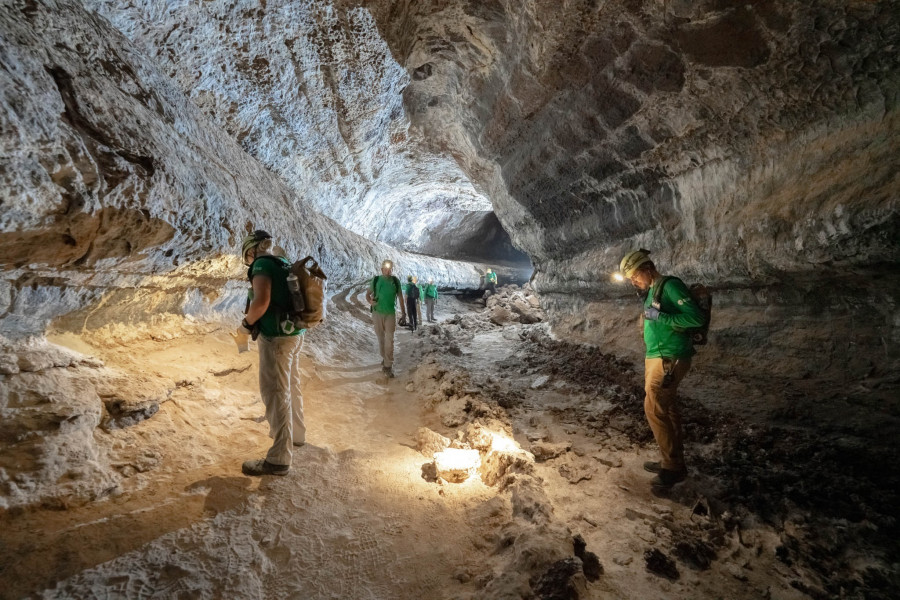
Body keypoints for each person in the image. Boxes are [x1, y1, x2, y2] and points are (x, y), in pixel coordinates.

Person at [619, 249, 705, 489]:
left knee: (653, 407)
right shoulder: (653, 291)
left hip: (670, 357)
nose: (634, 281)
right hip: (657, 355)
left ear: (647, 269)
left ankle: (672, 468)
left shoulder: (670, 286)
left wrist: (662, 318)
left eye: (635, 276)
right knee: (667, 408)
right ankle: (674, 460)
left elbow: (696, 318)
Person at [237, 230, 306, 477]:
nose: (248, 260)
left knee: (276, 392)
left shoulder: (262, 264)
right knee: (291, 384)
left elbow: (261, 301)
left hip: (276, 336)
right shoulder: (283, 262)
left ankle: (279, 458)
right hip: (294, 335)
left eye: (247, 255)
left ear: (252, 250)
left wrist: (245, 324)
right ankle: (296, 435)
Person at [366, 260, 406, 377]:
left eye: (390, 268)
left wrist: (404, 313)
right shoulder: (376, 280)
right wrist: (370, 301)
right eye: (386, 268)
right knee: (381, 339)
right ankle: (384, 358)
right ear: (382, 269)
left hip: (390, 314)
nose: (388, 271)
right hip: (377, 313)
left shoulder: (395, 281)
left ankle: (388, 365)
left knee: (390, 339)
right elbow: (367, 294)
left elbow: (400, 297)